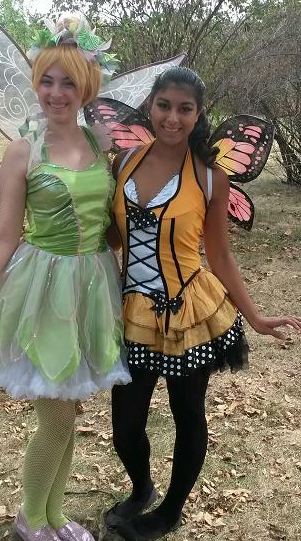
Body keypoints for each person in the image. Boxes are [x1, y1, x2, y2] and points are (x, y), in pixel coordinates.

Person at [0, 15, 130, 541]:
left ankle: (52, 515)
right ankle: (31, 517)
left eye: (68, 81)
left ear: (87, 84)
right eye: (47, 79)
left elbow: (113, 222)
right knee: (56, 418)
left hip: (95, 286)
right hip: (43, 292)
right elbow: (5, 235)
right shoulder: (23, 149)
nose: (56, 92)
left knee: (68, 409)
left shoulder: (100, 142)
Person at [106, 66, 301, 541]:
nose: (172, 118)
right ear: (150, 106)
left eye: (184, 108)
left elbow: (220, 256)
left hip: (189, 312)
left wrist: (254, 316)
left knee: (187, 413)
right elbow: (112, 235)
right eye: (164, 106)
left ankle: (170, 510)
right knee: (125, 425)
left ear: (197, 115)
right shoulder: (123, 163)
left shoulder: (211, 177)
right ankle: (142, 488)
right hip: (131, 311)